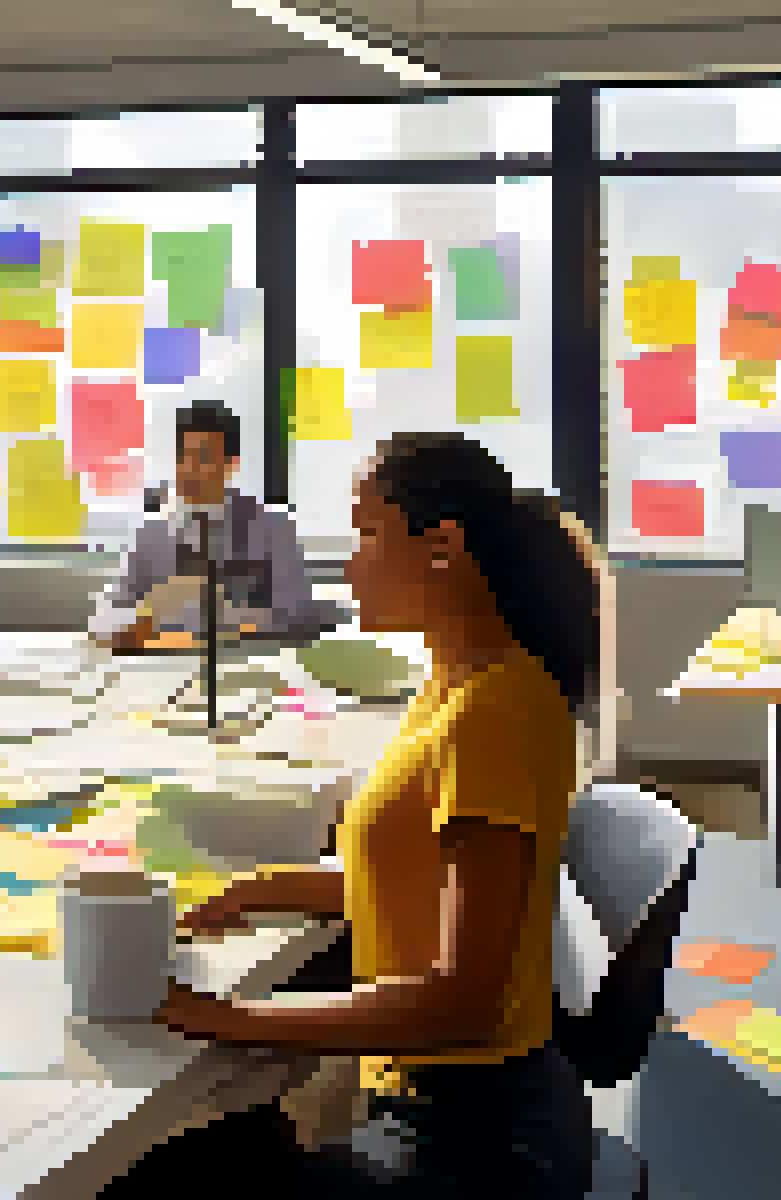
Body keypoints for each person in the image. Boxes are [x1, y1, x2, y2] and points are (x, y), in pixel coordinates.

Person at [115, 432, 601, 1200]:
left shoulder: (494, 713)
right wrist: (262, 888)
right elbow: (416, 878)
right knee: (224, 1135)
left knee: (161, 1175)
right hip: (439, 1106)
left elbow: (461, 1000)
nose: (350, 562)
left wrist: (232, 1018)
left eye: (368, 532)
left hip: (475, 1146)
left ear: (440, 546)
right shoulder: (456, 682)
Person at [92, 400, 334, 652]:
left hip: (248, 667)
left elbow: (300, 617)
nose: (190, 470)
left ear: (232, 464)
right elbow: (104, 623)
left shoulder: (273, 529)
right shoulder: (152, 534)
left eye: (204, 457)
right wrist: (151, 612)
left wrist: (225, 620)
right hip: (167, 666)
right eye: (183, 457)